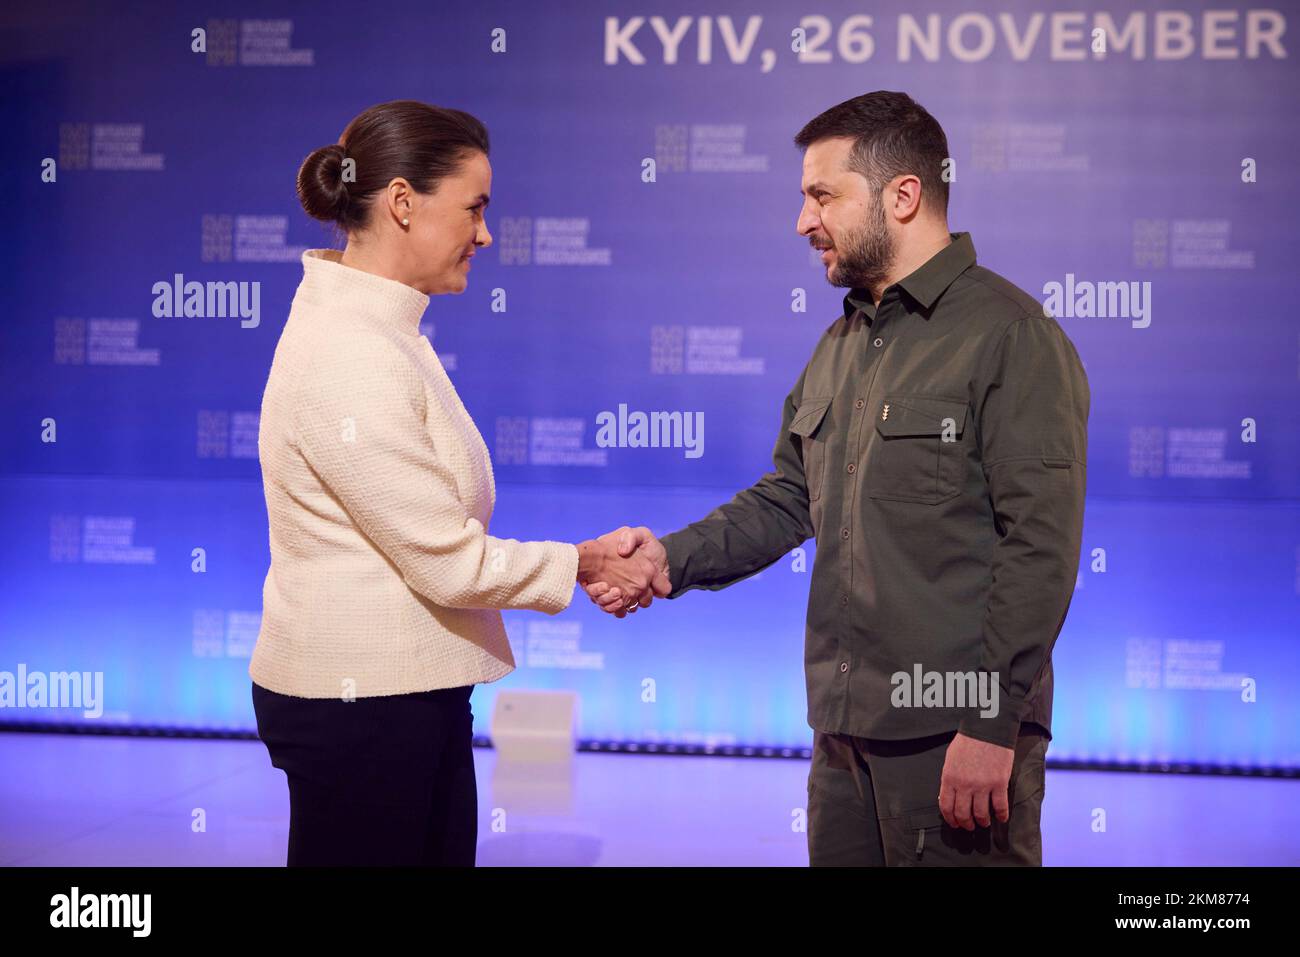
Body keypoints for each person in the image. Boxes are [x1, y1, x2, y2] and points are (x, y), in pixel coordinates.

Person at [586, 91, 1089, 866]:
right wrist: (666, 559)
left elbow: (1042, 549)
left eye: (822, 195)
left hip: (955, 737)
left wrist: (991, 723)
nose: (802, 221)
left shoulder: (1013, 336)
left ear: (904, 195)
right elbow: (791, 494)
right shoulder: (842, 340)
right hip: (843, 738)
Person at [248, 99, 668, 867]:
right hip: (362, 708)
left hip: (397, 700)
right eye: (474, 208)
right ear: (403, 202)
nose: (486, 233)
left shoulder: (380, 330)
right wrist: (584, 562)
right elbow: (444, 557)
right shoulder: (351, 349)